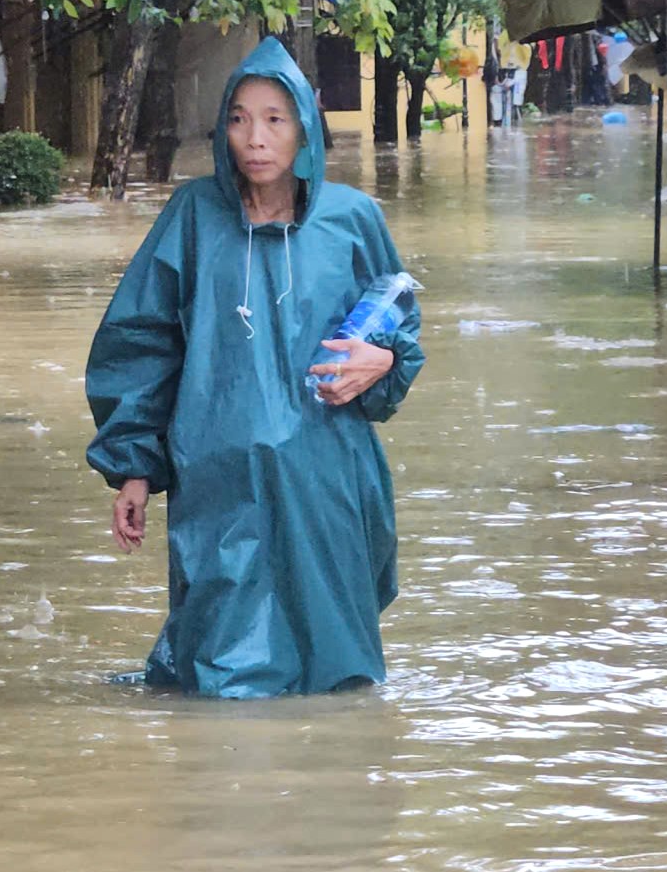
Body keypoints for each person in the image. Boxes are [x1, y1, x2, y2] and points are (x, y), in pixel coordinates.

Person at [84, 37, 426, 699]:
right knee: (220, 674)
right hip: (220, 481)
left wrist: (382, 360)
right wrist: (133, 467)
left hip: (326, 476)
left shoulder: (353, 220)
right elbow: (142, 344)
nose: (255, 138)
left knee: (338, 676)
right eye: (238, 118)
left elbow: (398, 325)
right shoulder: (193, 217)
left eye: (275, 118)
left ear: (304, 129)